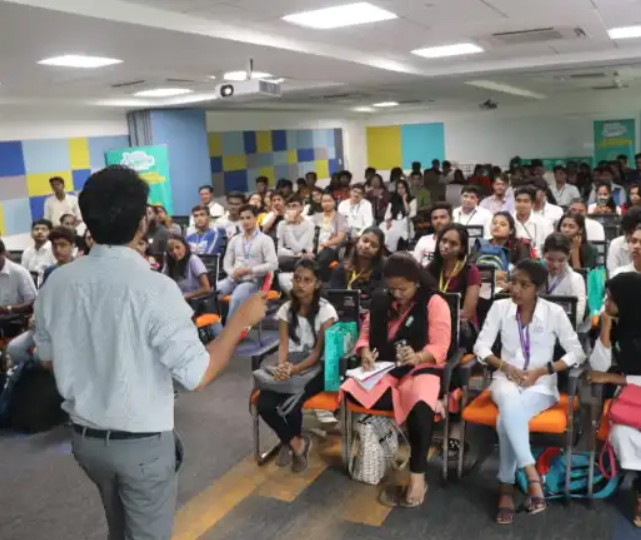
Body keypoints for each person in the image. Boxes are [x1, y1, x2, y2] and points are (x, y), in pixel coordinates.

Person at [33, 165, 267, 540]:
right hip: (140, 445)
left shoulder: (56, 283)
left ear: (86, 222)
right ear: (143, 222)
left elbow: (46, 358)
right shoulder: (155, 288)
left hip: (86, 442)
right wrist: (240, 320)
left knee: (119, 528)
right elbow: (198, 374)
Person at [473, 259, 585, 525]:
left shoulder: (554, 312)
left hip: (541, 385)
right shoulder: (500, 307)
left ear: (538, 288)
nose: (516, 289)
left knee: (505, 421)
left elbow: (577, 353)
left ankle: (506, 487)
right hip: (505, 379)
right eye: (513, 282)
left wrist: (544, 370)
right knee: (508, 397)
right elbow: (481, 347)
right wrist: (504, 366)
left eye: (524, 285)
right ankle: (531, 473)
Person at [341, 253, 451, 507]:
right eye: (392, 289)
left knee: (420, 405)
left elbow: (441, 346)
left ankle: (417, 476)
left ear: (416, 282)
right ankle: (403, 421)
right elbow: (366, 333)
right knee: (349, 389)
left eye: (403, 289)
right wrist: (364, 351)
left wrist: (418, 356)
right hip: (386, 368)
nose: (397, 294)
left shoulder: (434, 302)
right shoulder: (381, 299)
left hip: (421, 367)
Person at [256, 259, 337, 472]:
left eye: (307, 280)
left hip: (319, 368)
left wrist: (294, 370)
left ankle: (289, 441)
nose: (300, 285)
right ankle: (295, 443)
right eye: (297, 279)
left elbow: (318, 353)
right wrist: (283, 366)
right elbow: (283, 345)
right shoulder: (286, 309)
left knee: (291, 403)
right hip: (293, 363)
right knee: (264, 404)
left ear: (317, 284)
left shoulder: (326, 311)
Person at [588, 272, 641, 527]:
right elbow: (598, 368)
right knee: (621, 432)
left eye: (610, 299)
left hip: (632, 390)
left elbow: (605, 375)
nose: (605, 304)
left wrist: (615, 379)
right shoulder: (617, 324)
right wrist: (606, 330)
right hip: (633, 400)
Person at [6, 226, 75, 365]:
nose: (58, 250)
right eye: (54, 246)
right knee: (14, 349)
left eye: (62, 245)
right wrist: (34, 316)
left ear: (72, 246)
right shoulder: (50, 271)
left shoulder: (80, 271)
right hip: (45, 326)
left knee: (40, 355)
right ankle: (34, 371)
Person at [217, 204, 278, 323]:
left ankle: (230, 332)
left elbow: (273, 264)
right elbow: (226, 263)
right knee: (212, 294)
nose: (245, 221)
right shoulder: (235, 239)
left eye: (248, 218)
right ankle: (214, 328)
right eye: (242, 218)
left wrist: (250, 270)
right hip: (233, 278)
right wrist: (232, 273)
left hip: (253, 281)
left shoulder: (265, 240)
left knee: (236, 298)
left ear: (256, 218)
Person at [427, 224, 481, 348]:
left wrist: (440, 318)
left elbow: (467, 313)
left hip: (461, 328)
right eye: (444, 241)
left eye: (453, 244)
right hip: (434, 323)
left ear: (462, 248)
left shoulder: (471, 271)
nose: (446, 246)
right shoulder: (431, 269)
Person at [472, 212, 533, 293]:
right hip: (480, 288)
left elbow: (525, 273)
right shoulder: (480, 245)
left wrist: (509, 283)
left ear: (511, 230)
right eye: (494, 223)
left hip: (509, 290)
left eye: (502, 224)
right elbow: (469, 270)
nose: (497, 226)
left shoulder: (520, 246)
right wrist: (493, 275)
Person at [329, 226, 386, 309]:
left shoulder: (384, 269)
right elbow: (335, 297)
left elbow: (381, 299)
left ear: (378, 251)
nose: (367, 246)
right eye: (365, 240)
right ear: (357, 241)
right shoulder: (341, 269)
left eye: (374, 245)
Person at [541, 233, 587, 329]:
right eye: (550, 259)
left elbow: (577, 317)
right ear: (543, 254)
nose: (555, 265)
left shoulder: (576, 279)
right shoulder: (535, 275)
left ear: (569, 256)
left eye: (561, 260)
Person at [276, 195, 315, 292]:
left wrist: (288, 227)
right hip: (288, 260)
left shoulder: (309, 225)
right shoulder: (282, 224)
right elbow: (279, 250)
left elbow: (298, 248)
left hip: (304, 260)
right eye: (288, 206)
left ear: (301, 207)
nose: (291, 209)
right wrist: (298, 254)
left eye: (294, 206)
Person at [312, 191, 348, 281]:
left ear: (334, 202)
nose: (326, 204)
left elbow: (340, 237)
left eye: (329, 201)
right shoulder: (316, 217)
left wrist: (324, 244)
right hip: (315, 246)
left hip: (331, 247)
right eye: (324, 201)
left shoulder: (340, 217)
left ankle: (323, 282)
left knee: (323, 259)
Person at [164, 234, 211, 300]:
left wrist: (184, 297)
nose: (174, 252)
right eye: (170, 250)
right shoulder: (169, 262)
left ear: (185, 247)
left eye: (178, 247)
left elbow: (206, 289)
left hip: (192, 300)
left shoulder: (193, 260)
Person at [512, 186, 553, 257]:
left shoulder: (545, 224)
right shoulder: (507, 221)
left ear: (533, 204)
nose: (521, 205)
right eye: (518, 201)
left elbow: (549, 250)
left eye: (526, 201)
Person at [383, 179, 416, 252]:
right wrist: (388, 221)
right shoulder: (393, 199)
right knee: (386, 231)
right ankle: (389, 251)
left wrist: (404, 200)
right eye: (398, 188)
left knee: (398, 230)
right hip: (393, 222)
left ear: (406, 188)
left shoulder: (412, 199)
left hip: (406, 222)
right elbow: (387, 214)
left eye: (402, 188)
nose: (400, 190)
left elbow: (409, 213)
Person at [607, 207, 641, 276]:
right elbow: (613, 275)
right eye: (626, 233)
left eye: (631, 232)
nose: (628, 237)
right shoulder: (616, 244)